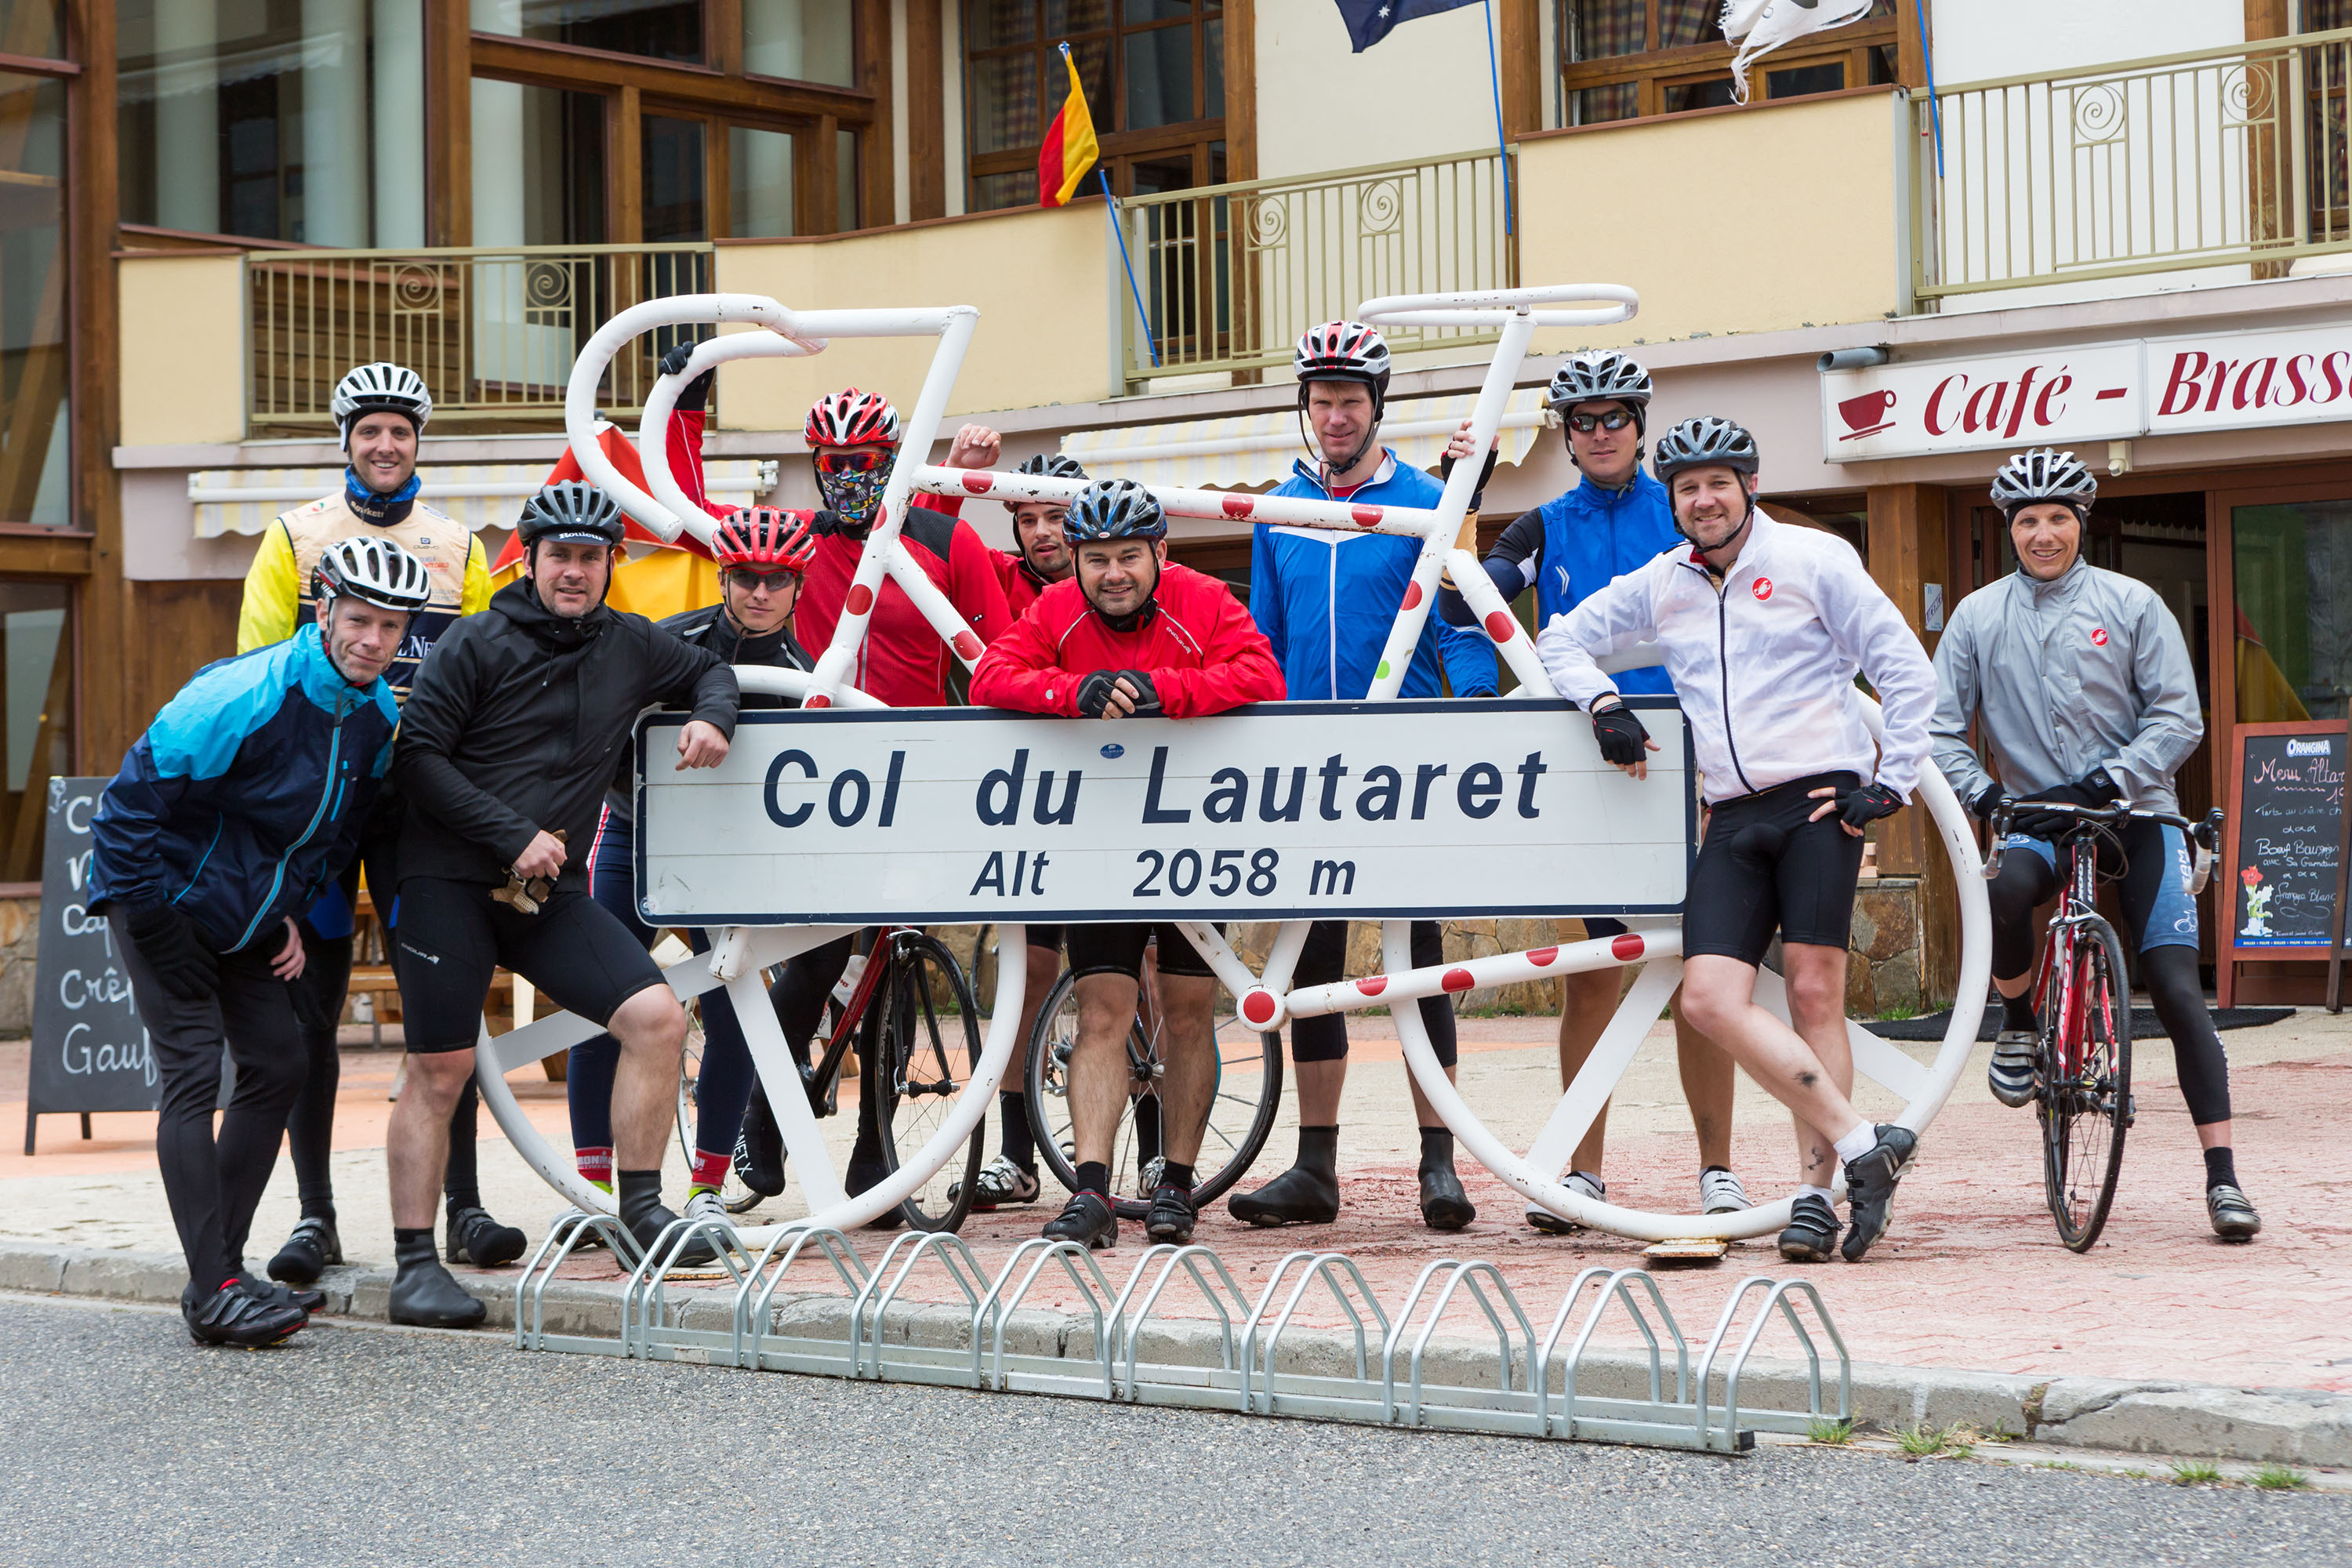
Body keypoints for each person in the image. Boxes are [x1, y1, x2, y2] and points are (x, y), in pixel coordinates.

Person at [1536, 416, 1935, 1264]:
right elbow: (1559, 635)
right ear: (1673, 501)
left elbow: (1903, 668)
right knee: (1709, 999)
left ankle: (1815, 1199)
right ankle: (1867, 1146)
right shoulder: (1665, 580)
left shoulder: (1814, 559)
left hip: (1817, 802)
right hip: (1731, 814)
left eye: (1719, 482)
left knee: (1814, 994)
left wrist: (1892, 780)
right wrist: (1602, 704)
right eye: (1688, 488)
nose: (1704, 500)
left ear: (1749, 485)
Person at [386, 481, 739, 1326]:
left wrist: (715, 716)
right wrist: (510, 833)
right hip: (444, 881)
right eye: (559, 556)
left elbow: (711, 668)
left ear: (612, 563)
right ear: (531, 562)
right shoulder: (474, 641)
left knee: (656, 1018)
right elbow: (417, 757)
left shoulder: (631, 642)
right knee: (440, 1068)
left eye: (589, 557)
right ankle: (413, 1265)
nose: (574, 571)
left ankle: (641, 1210)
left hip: (547, 893)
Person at [1436, 350, 1747, 1232]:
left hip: (1694, 769)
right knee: (1595, 977)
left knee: (1698, 975)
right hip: (1589, 769)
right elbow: (1463, 607)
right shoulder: (1544, 525)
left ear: (1641, 426)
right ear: (1566, 436)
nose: (1601, 432)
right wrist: (1465, 492)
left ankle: (1718, 1171)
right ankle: (1583, 1173)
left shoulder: (1683, 510)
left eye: (1616, 418)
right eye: (1584, 420)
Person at [89, 537, 424, 1345]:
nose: (373, 640)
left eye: (390, 626)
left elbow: (327, 834)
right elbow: (124, 808)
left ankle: (222, 1274)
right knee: (192, 1075)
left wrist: (290, 913)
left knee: (278, 1062)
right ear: (325, 611)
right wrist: (152, 919)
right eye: (359, 619)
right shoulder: (243, 692)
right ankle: (215, 1289)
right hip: (163, 902)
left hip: (247, 920)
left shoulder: (376, 716)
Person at [234, 362, 519, 1285]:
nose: (386, 445)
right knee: (309, 1013)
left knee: (445, 1009)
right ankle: (314, 1215)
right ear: (346, 441)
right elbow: (256, 675)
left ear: (418, 441)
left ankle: (464, 1206)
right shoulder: (294, 536)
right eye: (370, 431)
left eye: (400, 430)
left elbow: (487, 680)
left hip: (417, 807)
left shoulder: (457, 544)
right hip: (319, 807)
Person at [1932, 448, 2260, 1241]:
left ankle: (2223, 1178)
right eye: (2027, 521)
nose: (2043, 534)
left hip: (2137, 813)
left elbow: (2178, 716)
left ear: (2082, 522)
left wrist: (2111, 781)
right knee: (2005, 893)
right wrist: (1986, 795)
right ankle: (2019, 1022)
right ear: (2009, 529)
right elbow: (1937, 730)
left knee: (2177, 989)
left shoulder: (2134, 602)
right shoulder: (1977, 616)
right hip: (2037, 817)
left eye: (2058, 518)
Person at [971, 478, 1286, 1247]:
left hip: (1194, 833)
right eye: (1098, 559)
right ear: (1076, 559)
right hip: (1100, 838)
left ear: (1160, 553)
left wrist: (1165, 691)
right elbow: (990, 677)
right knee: (1102, 1012)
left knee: (1186, 1011)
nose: (1114, 574)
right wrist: (1070, 691)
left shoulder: (1204, 598)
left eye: (1130, 558)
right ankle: (1091, 1192)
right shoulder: (1055, 609)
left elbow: (1263, 677)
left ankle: (1176, 1183)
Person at [1231, 320, 1496, 1233]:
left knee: (1419, 960)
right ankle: (1314, 1165)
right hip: (1306, 764)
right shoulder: (1277, 509)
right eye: (1322, 400)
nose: (1335, 415)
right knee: (1312, 960)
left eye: (1350, 400)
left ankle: (1439, 1159)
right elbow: (1262, 639)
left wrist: (1475, 709)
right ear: (1304, 407)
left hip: (1404, 761)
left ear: (1378, 406)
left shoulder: (1428, 499)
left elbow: (1460, 624)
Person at [732, 391, 1014, 1215]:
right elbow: (719, 548)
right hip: (820, 773)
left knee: (897, 959)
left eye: (864, 464)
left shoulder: (946, 541)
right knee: (819, 953)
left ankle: (874, 1154)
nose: (848, 478)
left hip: (917, 770)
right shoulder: (803, 540)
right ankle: (761, 1118)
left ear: (893, 462)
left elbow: (997, 656)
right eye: (833, 465)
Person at [564, 506, 816, 1242]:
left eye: (777, 580)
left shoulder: (805, 674)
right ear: (723, 578)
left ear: (798, 587)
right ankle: (591, 1187)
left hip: (731, 855)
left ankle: (707, 1187)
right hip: (634, 830)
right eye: (746, 577)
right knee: (600, 995)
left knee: (735, 1002)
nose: (760, 593)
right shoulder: (672, 638)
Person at [956, 450, 1091, 1211]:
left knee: (1137, 979)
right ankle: (1016, 1157)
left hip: (1112, 803)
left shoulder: (1119, 579)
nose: (1042, 532)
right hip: (1030, 808)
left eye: (1056, 516)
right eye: (1028, 518)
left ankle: (1149, 1149)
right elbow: (923, 546)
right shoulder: (998, 581)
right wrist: (955, 470)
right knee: (1026, 980)